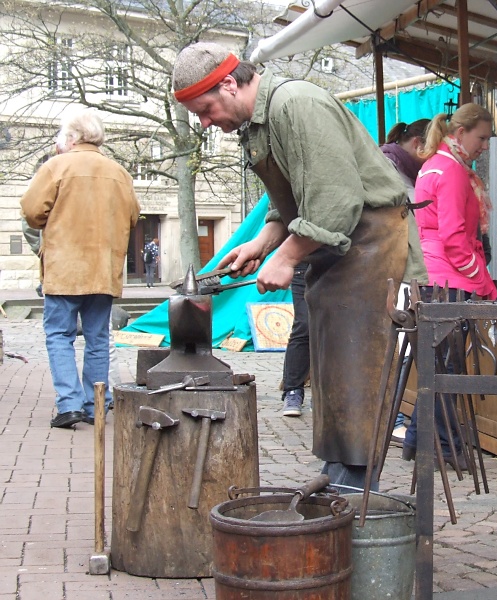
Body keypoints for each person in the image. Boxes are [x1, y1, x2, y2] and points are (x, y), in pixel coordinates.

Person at [171, 42, 427, 489]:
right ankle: (337, 476)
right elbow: (294, 196)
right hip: (341, 256)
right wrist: (262, 243)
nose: (207, 123)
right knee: (332, 371)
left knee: (360, 372)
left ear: (229, 84)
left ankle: (354, 487)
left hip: (374, 249)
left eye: (206, 110)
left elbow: (335, 202)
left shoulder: (297, 104)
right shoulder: (259, 125)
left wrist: (287, 256)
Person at [20, 108, 140, 428]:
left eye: (62, 135)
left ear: (72, 138)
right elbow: (133, 217)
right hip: (103, 269)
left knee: (59, 335)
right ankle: (95, 403)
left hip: (64, 268)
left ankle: (69, 404)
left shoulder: (55, 167)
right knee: (98, 338)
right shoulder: (119, 173)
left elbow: (31, 212)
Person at [402, 103, 497, 471]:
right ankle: (447, 445)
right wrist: (484, 283)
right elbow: (456, 240)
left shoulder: (432, 165)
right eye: (482, 138)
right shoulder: (455, 173)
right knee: (446, 369)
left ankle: (418, 439)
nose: (484, 146)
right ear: (461, 133)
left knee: (435, 365)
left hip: (429, 275)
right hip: (448, 279)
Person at [380, 118, 430, 443]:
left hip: (403, 265)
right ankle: (391, 415)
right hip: (392, 265)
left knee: (402, 341)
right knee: (395, 342)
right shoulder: (388, 164)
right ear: (417, 145)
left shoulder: (405, 167)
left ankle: (395, 417)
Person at [280, 261, 310, 417]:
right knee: (305, 323)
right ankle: (292, 391)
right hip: (305, 264)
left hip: (343, 263)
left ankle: (326, 394)